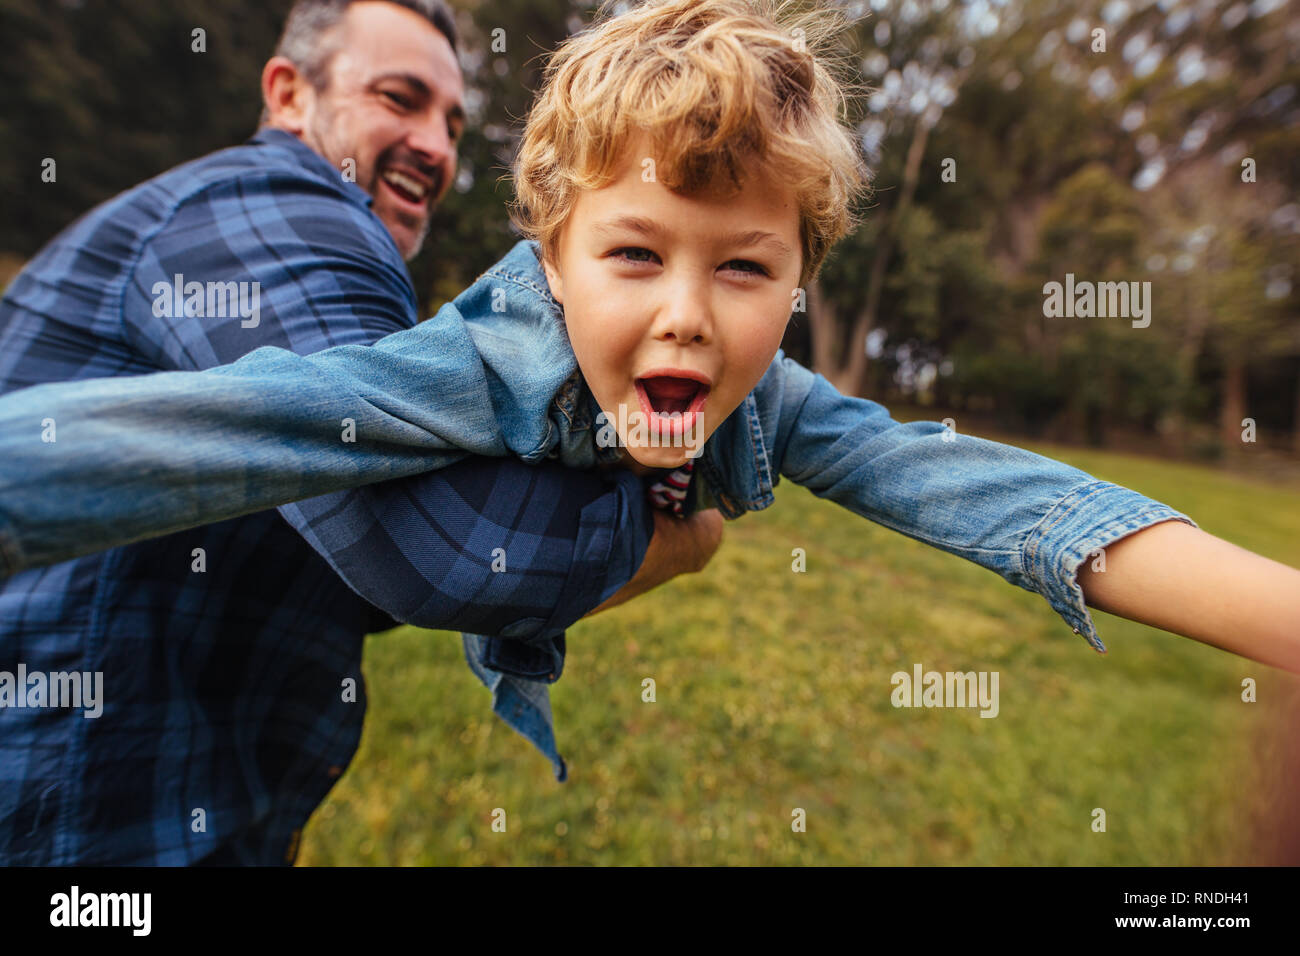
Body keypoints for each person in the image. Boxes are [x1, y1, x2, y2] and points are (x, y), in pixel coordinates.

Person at [5, 0, 1300, 827]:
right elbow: (234, 428)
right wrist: (681, 545)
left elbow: (986, 495)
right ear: (552, 262)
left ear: (800, 278)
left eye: (744, 268)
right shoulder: (459, 365)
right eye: (635, 257)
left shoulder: (773, 394)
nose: (688, 313)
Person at [0, 0, 724, 866]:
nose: (437, 145)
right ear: (288, 95)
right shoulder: (282, 206)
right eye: (399, 98)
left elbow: (356, 562)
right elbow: (441, 542)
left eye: (452, 122)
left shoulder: (294, 250)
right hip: (71, 817)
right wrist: (686, 537)